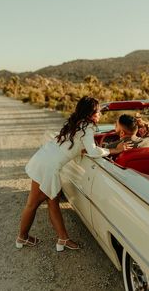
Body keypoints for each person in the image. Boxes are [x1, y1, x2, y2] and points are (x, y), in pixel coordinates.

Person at [16, 96, 131, 252]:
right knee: (33, 204)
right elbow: (93, 150)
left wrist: (81, 149)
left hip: (44, 159)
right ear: (91, 113)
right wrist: (115, 150)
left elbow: (74, 145)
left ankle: (62, 239)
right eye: (98, 111)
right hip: (48, 167)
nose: (100, 114)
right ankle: (22, 237)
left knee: (53, 201)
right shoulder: (88, 127)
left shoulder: (77, 124)